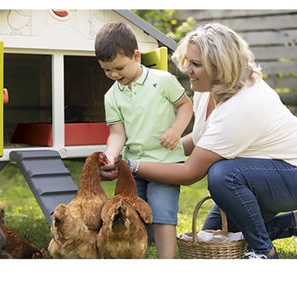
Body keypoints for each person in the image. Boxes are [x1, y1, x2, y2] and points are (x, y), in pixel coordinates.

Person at [100, 22, 297, 259]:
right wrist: (156, 153)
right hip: (260, 171)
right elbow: (203, 138)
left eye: (195, 64)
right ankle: (292, 223)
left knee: (222, 175)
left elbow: (190, 172)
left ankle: (263, 252)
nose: (185, 69)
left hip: (289, 174)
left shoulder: (244, 105)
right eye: (186, 60)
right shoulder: (207, 88)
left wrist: (131, 165)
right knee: (214, 236)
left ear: (220, 67)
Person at [94, 22, 193, 259]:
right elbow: (117, 134)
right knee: (131, 217)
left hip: (166, 164)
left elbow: (185, 106)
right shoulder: (111, 96)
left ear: (136, 56)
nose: (114, 75)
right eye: (107, 70)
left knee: (162, 215)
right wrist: (110, 157)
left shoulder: (163, 80)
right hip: (133, 169)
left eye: (119, 68)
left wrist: (176, 130)